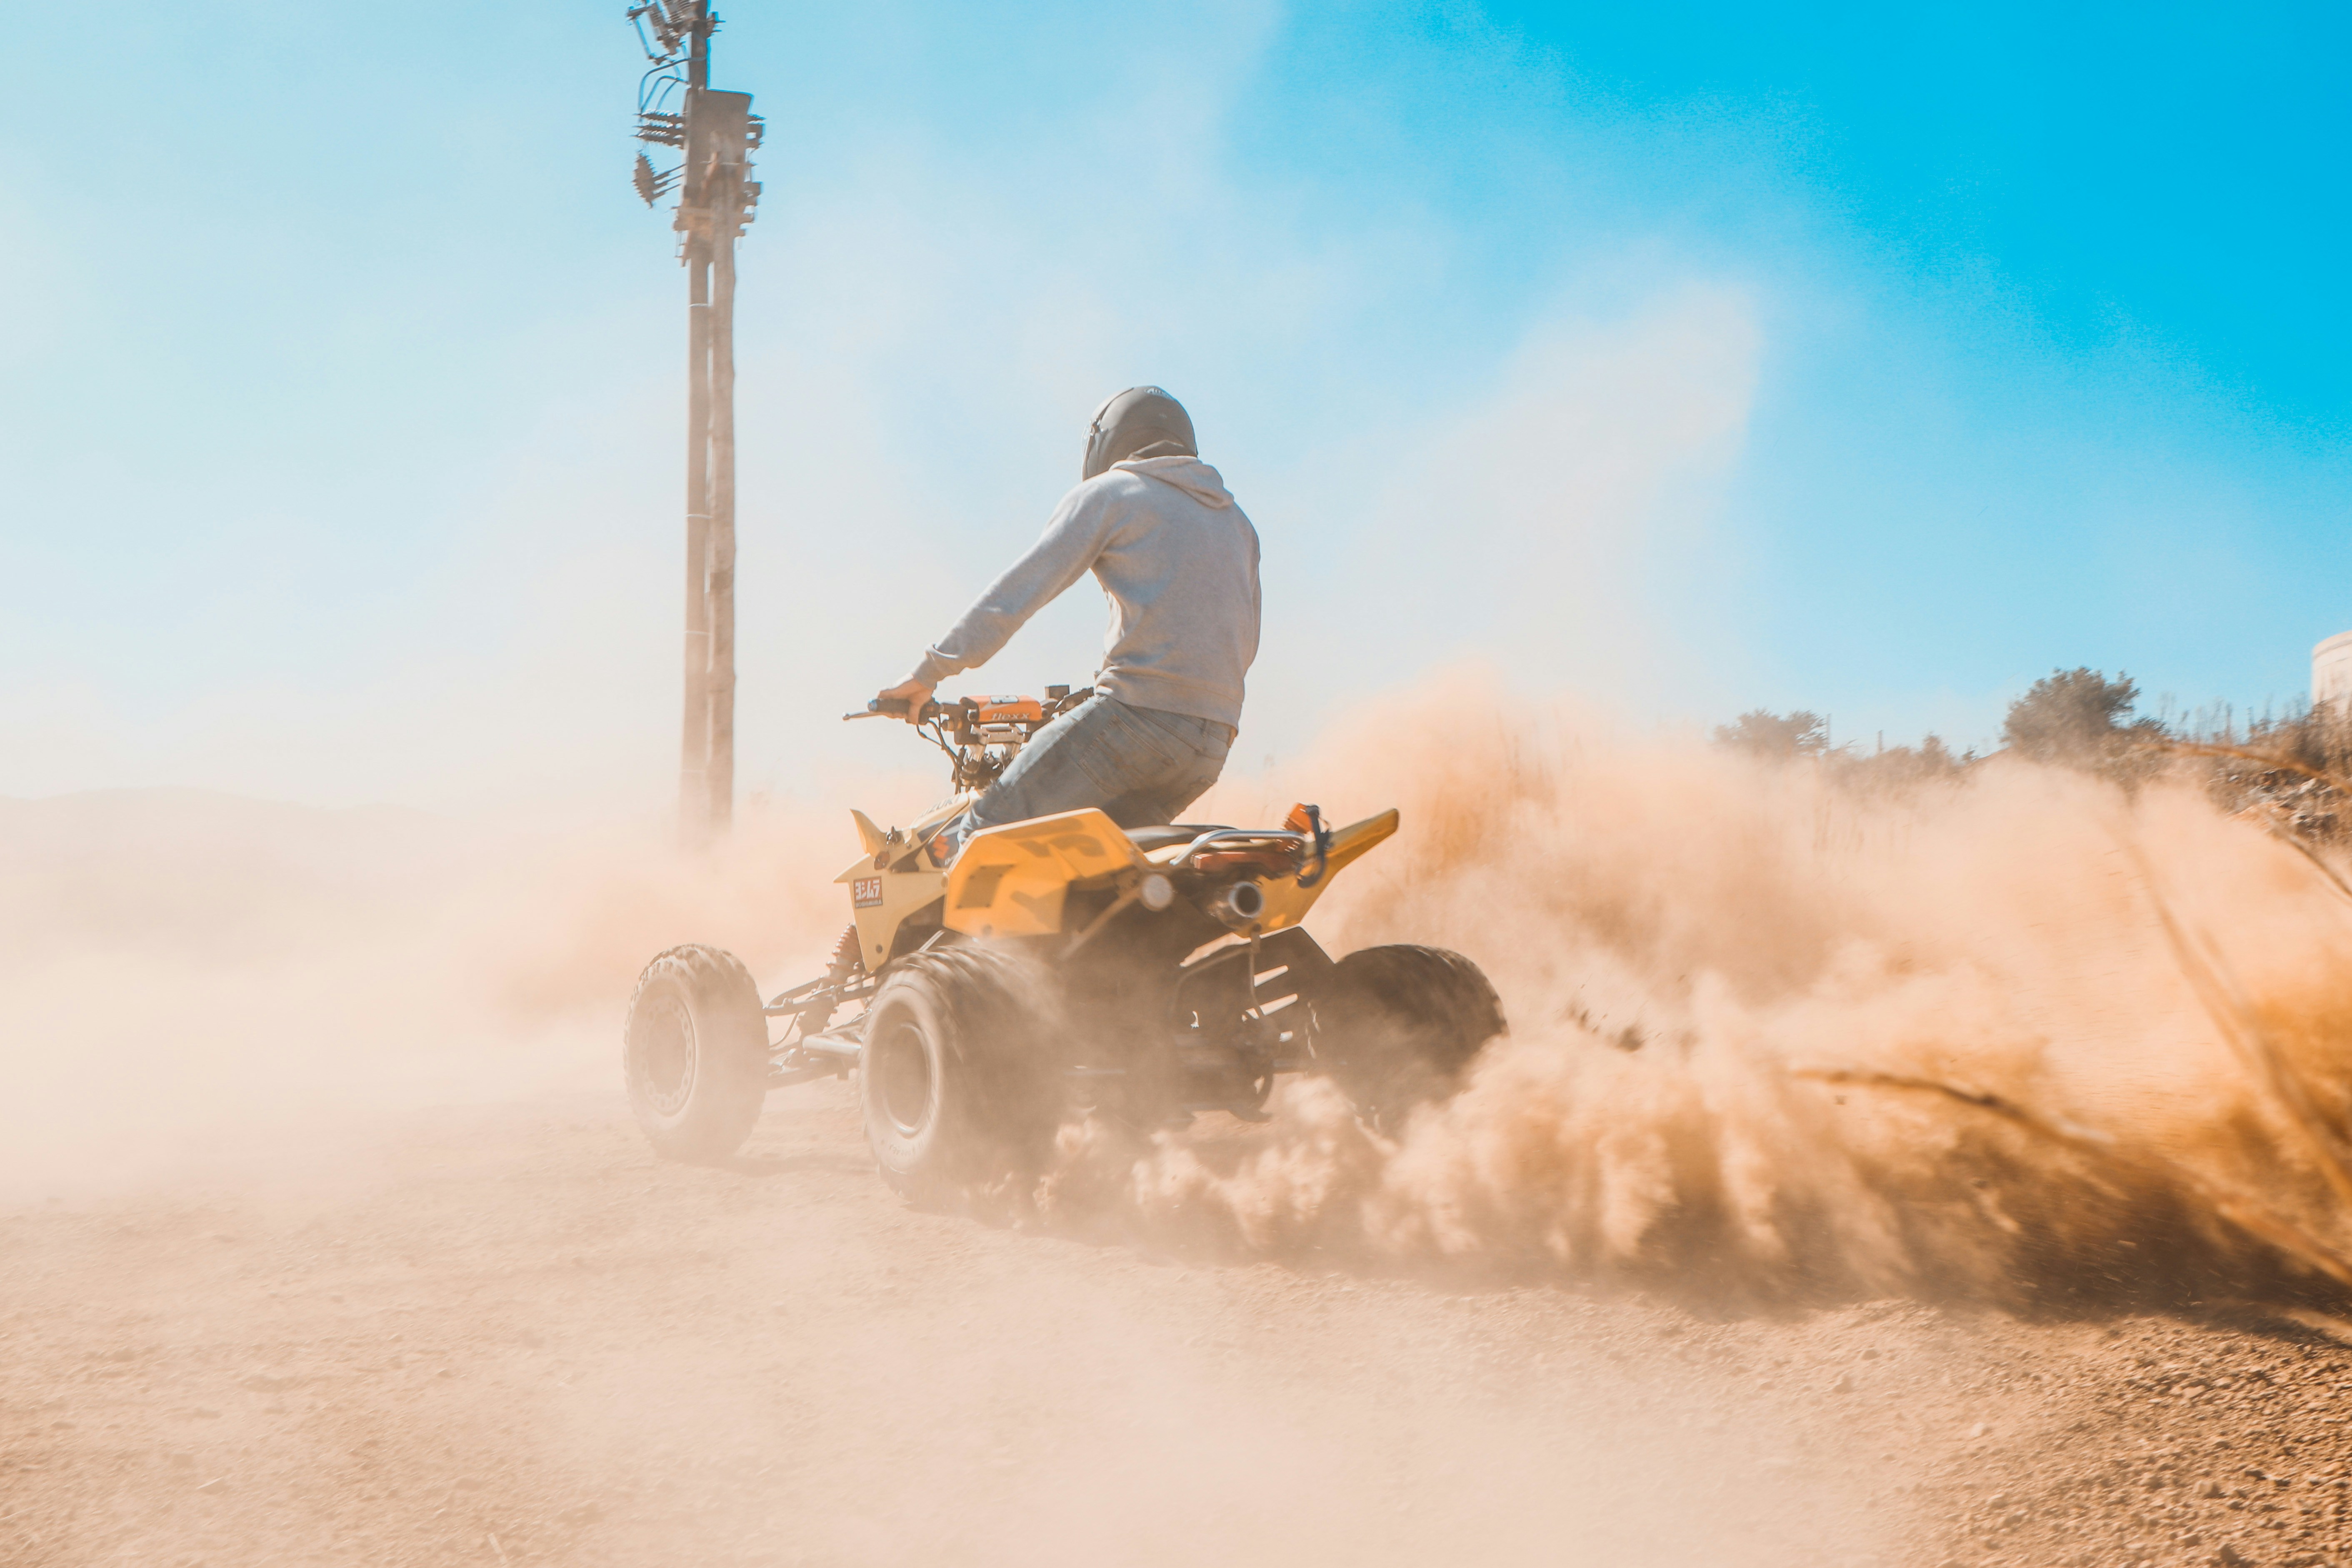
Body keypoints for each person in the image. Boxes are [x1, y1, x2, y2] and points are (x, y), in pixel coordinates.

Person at [873, 387, 1260, 859]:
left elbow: (1016, 594)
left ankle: (984, 936)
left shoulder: (1112, 494)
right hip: (1212, 742)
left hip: (1135, 720)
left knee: (982, 834)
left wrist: (926, 674)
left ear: (1106, 441)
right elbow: (1246, 640)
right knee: (1095, 873)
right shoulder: (1238, 523)